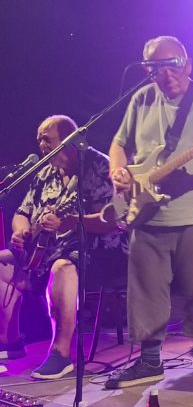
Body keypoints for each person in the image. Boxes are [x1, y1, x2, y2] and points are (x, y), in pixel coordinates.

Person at [105, 36, 193, 390]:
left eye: (175, 64)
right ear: (147, 71)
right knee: (145, 290)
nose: (168, 73)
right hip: (146, 211)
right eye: (158, 67)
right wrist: (118, 171)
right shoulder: (141, 99)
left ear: (188, 64)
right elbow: (119, 144)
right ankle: (149, 362)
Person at [0, 116, 126, 379]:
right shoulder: (45, 171)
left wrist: (69, 222)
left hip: (97, 251)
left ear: (70, 140)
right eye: (39, 139)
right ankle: (10, 342)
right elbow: (23, 212)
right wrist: (21, 230)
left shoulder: (99, 167)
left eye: (47, 139)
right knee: (2, 263)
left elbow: (111, 220)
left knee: (62, 266)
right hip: (44, 250)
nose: (41, 145)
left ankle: (61, 353)